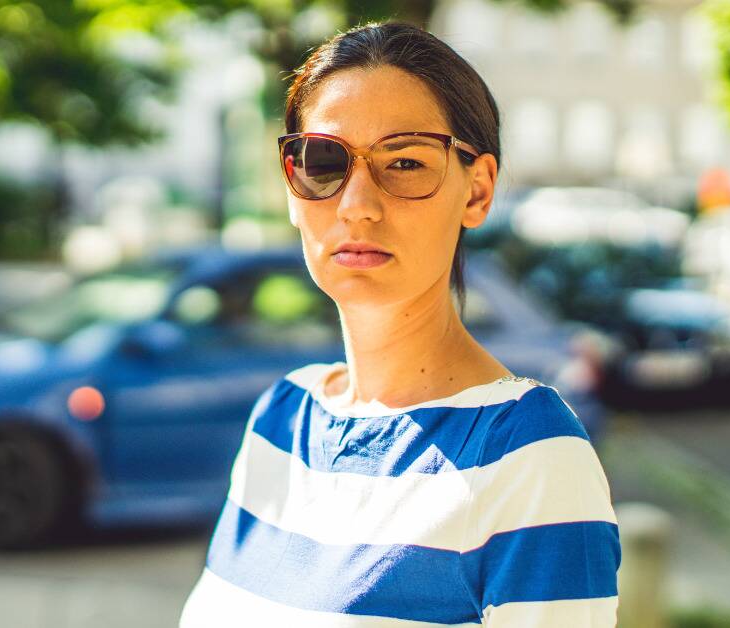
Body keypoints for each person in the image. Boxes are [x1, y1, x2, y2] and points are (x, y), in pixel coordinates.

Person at [179, 21, 620, 627]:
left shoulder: (527, 457)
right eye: (322, 161)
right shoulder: (281, 418)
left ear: (478, 190)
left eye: (406, 161)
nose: (356, 203)